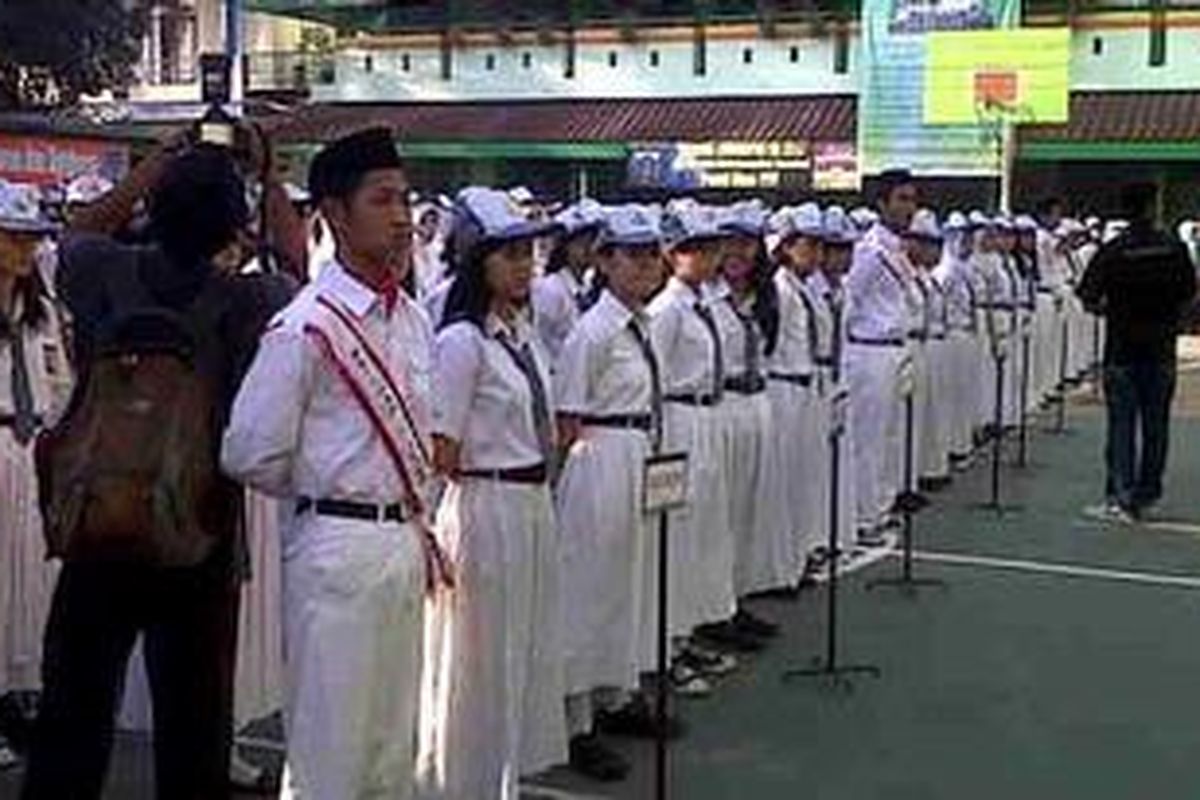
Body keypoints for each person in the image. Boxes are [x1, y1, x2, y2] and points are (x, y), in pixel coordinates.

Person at [23, 132, 296, 800]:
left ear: (155, 206)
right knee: (195, 728)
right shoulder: (250, 301)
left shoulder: (102, 273)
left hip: (98, 524)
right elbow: (298, 269)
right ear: (233, 224)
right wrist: (267, 176)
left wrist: (153, 165)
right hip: (199, 534)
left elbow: (74, 232)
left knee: (72, 716)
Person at [222, 127, 444, 799]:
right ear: (334, 215)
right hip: (336, 544)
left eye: (405, 199)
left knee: (391, 748)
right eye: (382, 200)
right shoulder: (306, 326)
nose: (401, 217)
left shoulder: (411, 319)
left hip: (404, 539)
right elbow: (249, 451)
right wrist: (326, 489)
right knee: (331, 749)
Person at [420, 187, 568, 799]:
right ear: (477, 261)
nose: (524, 265)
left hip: (529, 504)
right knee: (479, 657)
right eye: (508, 255)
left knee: (521, 648)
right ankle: (462, 783)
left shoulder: (521, 334)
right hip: (486, 506)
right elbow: (441, 448)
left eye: (528, 253)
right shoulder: (462, 342)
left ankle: (501, 778)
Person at [555, 204, 667, 781]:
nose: (646, 266)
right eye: (633, 256)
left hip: (636, 453)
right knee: (589, 590)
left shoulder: (641, 323)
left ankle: (614, 695)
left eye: (652, 255)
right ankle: (576, 722)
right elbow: (567, 418)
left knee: (627, 585)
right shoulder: (593, 332)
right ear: (605, 261)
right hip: (599, 457)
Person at [646, 200, 735, 696]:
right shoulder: (667, 310)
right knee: (676, 540)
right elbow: (653, 381)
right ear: (672, 253)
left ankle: (685, 632)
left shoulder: (702, 304)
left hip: (706, 417)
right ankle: (665, 646)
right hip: (679, 420)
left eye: (710, 248)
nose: (705, 258)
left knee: (702, 532)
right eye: (693, 249)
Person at [0, 182, 72, 769]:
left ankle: (16, 697)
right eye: (13, 238)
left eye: (31, 239)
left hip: (30, 451)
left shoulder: (40, 312)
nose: (26, 250)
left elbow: (59, 382)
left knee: (28, 581)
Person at [1077, 182, 1196, 522]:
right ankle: (1148, 493)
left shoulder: (1114, 250)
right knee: (1157, 426)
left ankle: (1121, 496)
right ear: (1152, 208)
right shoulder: (1173, 248)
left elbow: (1087, 294)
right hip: (1161, 349)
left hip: (1122, 349)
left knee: (1122, 427)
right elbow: (1190, 292)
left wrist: (1111, 310)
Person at [844, 169, 920, 544]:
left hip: (895, 349)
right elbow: (850, 299)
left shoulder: (897, 249)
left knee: (890, 435)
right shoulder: (870, 250)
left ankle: (882, 505)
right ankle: (863, 515)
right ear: (882, 203)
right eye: (902, 199)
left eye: (912, 199)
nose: (910, 208)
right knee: (869, 437)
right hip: (871, 350)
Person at [766, 203, 825, 582]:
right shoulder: (778, 289)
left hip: (803, 385)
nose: (817, 253)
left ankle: (796, 554)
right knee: (784, 480)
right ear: (787, 246)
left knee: (801, 475)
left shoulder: (802, 288)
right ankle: (782, 563)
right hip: (783, 385)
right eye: (809, 245)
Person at [532, 200, 603, 365]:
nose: (590, 248)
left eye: (593, 241)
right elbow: (538, 342)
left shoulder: (586, 287)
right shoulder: (550, 289)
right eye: (582, 242)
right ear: (565, 246)